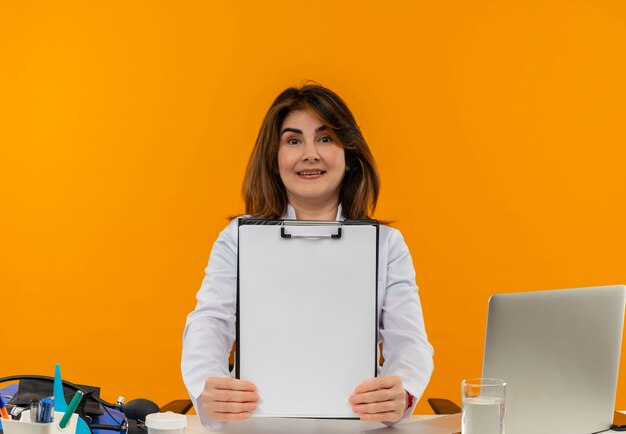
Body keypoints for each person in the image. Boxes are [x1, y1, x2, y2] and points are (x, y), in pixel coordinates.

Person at [181, 84, 434, 429]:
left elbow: (410, 342)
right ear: (274, 158)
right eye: (293, 140)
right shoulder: (238, 239)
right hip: (256, 422)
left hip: (355, 423)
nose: (310, 154)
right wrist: (207, 385)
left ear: (349, 155)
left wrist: (401, 392)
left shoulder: (386, 244)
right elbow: (209, 323)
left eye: (326, 139)